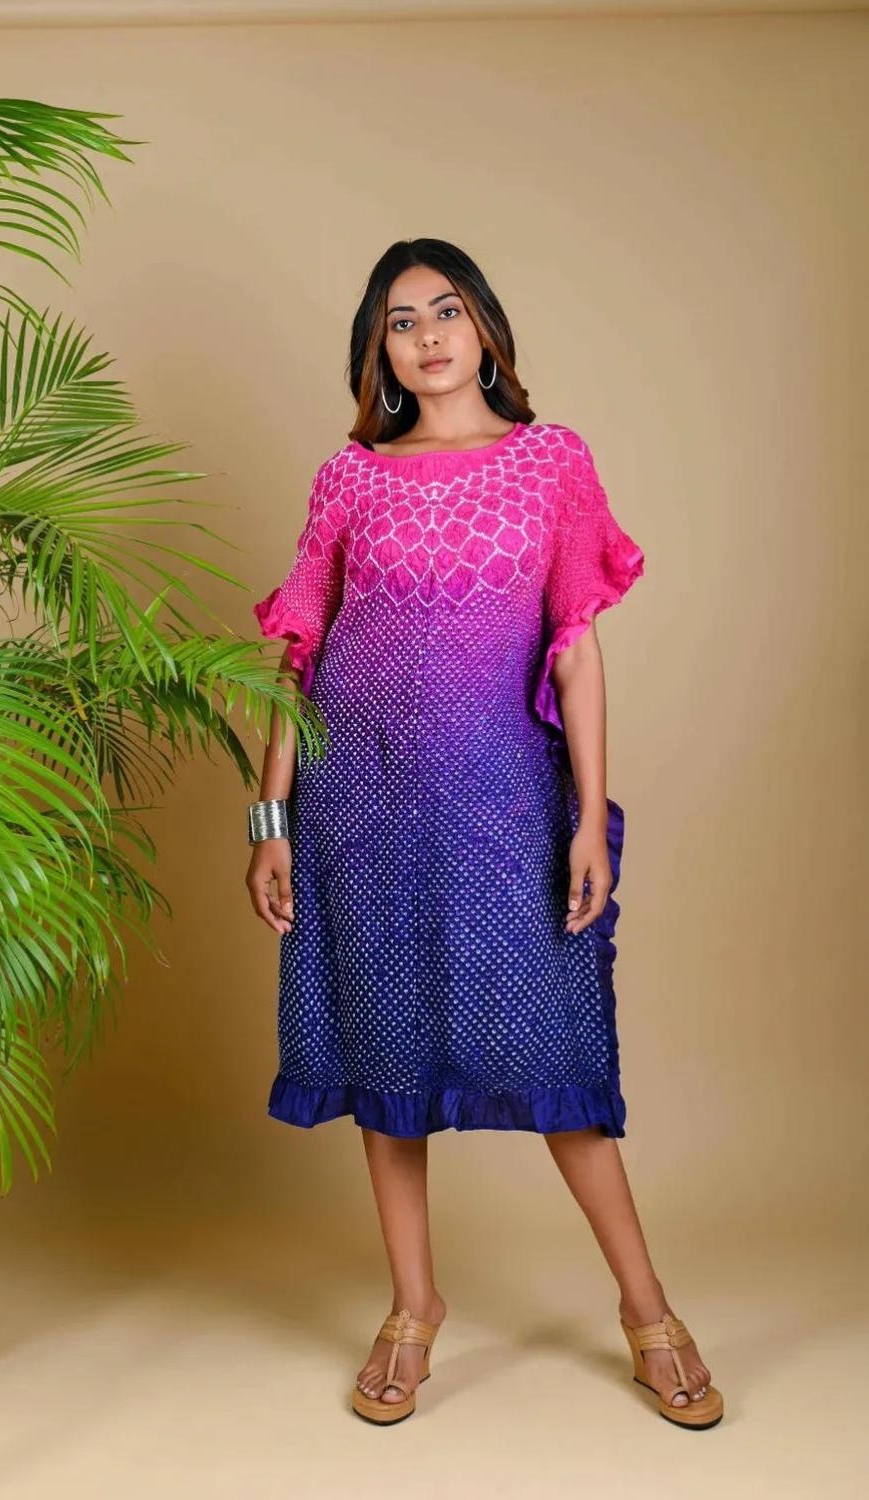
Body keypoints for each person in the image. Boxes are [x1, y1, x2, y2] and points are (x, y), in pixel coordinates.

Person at [245, 238, 722, 1430]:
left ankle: (647, 1310)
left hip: (504, 805)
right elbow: (294, 652)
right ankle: (413, 1307)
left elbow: (575, 646)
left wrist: (589, 815)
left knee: (558, 1055)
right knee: (386, 1059)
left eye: (445, 311)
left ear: (486, 328)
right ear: (379, 351)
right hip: (357, 808)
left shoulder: (551, 462)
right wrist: (269, 819)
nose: (427, 337)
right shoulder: (348, 479)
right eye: (400, 321)